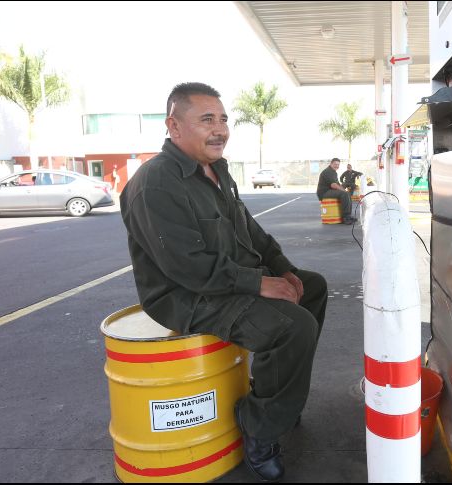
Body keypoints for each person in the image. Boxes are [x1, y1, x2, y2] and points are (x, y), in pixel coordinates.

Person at [120, 82, 327, 483]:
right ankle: (260, 428)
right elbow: (187, 267)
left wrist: (282, 269)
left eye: (223, 119)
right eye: (206, 120)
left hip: (226, 282)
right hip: (186, 296)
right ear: (174, 126)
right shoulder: (156, 182)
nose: (220, 129)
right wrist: (260, 284)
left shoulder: (216, 171)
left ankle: (279, 393)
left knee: (311, 286)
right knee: (292, 327)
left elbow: (252, 231)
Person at [316, 157, 354, 224]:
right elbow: (334, 185)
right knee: (344, 194)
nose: (337, 166)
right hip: (324, 192)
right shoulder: (328, 172)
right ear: (331, 164)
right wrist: (344, 191)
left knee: (347, 193)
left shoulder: (333, 172)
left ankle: (349, 216)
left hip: (330, 190)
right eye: (335, 164)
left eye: (338, 164)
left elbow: (338, 185)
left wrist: (348, 185)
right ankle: (346, 217)